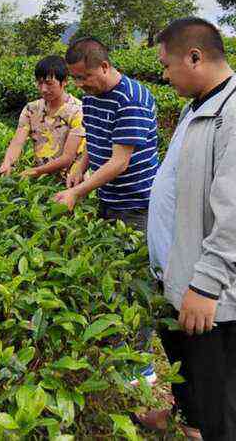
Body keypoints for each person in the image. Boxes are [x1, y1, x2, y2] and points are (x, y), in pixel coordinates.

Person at [139, 17, 236, 441]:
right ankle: (188, 421)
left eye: (166, 65)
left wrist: (207, 285)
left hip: (213, 294)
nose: (163, 75)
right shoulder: (196, 105)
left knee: (224, 402)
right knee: (190, 374)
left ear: (194, 57)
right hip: (178, 273)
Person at [54, 37, 160, 385]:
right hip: (108, 200)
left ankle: (141, 368)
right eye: (76, 79)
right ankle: (116, 347)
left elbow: (119, 162)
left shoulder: (133, 99)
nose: (81, 86)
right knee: (112, 277)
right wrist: (79, 167)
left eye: (85, 77)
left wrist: (77, 193)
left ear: (104, 66)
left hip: (136, 205)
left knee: (137, 285)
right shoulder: (92, 96)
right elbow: (95, 142)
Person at [0, 55, 85, 179]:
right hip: (41, 180)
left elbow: (67, 158)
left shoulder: (78, 111)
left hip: (71, 182)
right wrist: (7, 163)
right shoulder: (31, 109)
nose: (43, 89)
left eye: (49, 83)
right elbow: (17, 142)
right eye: (39, 83)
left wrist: (35, 172)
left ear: (64, 81)